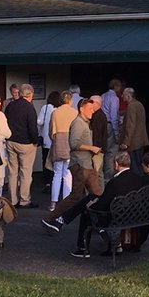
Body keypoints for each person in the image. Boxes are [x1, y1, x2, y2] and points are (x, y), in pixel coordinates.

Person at [68, 151, 149, 258]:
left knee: (87, 212)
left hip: (116, 217)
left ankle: (82, 248)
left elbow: (101, 206)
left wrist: (91, 206)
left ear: (116, 164)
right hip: (133, 215)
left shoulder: (114, 182)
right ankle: (63, 219)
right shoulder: (138, 178)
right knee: (92, 197)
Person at [41, 97, 102, 233]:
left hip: (87, 164)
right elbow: (74, 144)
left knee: (96, 194)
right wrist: (92, 148)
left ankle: (99, 225)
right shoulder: (78, 123)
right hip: (80, 165)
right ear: (81, 109)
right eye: (90, 109)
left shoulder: (84, 123)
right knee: (76, 196)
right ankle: (51, 218)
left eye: (93, 109)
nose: (92, 111)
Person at [4, 82, 40, 208]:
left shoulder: (10, 105)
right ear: (31, 94)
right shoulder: (30, 108)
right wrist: (36, 141)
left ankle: (13, 200)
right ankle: (24, 199)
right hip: (26, 143)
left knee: (12, 171)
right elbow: (33, 128)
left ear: (20, 93)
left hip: (11, 141)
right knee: (25, 172)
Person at [47, 90, 77, 208]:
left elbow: (51, 131)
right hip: (70, 144)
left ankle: (53, 202)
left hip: (58, 144)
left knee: (57, 173)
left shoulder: (55, 112)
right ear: (70, 100)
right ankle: (66, 202)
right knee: (68, 174)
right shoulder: (75, 112)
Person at [118, 87, 149, 172]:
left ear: (128, 96)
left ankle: (136, 180)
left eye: (123, 95)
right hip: (140, 140)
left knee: (134, 166)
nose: (122, 96)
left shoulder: (131, 106)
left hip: (133, 142)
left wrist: (126, 143)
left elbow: (130, 126)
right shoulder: (139, 104)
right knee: (139, 165)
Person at [37, 90, 58, 193]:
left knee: (46, 161)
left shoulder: (45, 108)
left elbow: (39, 122)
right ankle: (55, 182)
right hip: (56, 140)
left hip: (46, 140)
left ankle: (47, 183)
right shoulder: (59, 110)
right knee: (56, 163)